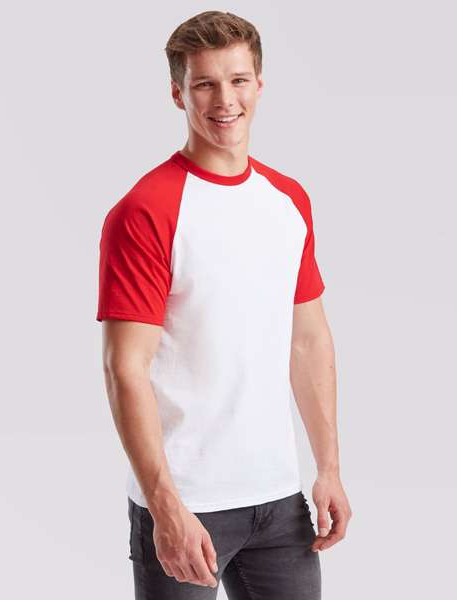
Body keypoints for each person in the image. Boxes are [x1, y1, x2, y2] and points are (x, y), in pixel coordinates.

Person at [96, 10, 351, 600]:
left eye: (237, 80)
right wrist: (165, 506)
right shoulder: (146, 210)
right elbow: (124, 368)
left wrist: (328, 468)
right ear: (177, 93)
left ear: (259, 84)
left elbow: (309, 340)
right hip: (186, 501)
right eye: (205, 84)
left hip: (280, 500)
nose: (225, 100)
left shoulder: (288, 199)